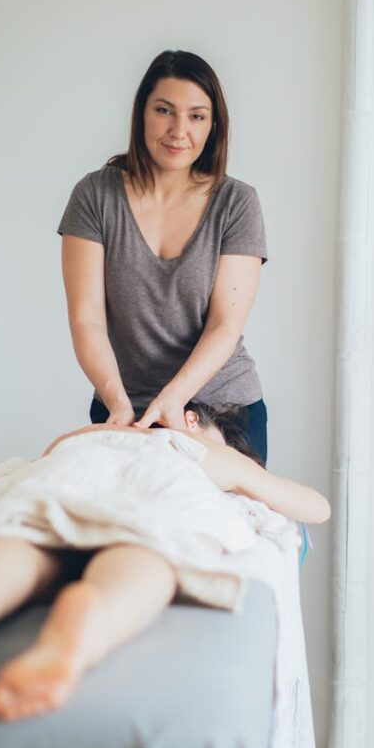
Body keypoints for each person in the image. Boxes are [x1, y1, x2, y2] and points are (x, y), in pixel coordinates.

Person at [0, 405, 330, 731]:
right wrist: (241, 477)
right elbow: (317, 508)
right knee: (149, 549)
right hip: (159, 485)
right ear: (192, 418)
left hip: (71, 469)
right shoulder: (204, 452)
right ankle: (89, 616)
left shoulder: (92, 432)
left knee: (25, 533)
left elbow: (49, 456)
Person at [58, 49, 271, 464]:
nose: (178, 130)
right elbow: (86, 318)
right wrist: (119, 404)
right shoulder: (95, 197)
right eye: (164, 110)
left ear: (213, 126)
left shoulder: (237, 203)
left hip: (223, 412)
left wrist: (173, 402)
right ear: (142, 115)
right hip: (124, 410)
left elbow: (224, 327)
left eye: (196, 116)